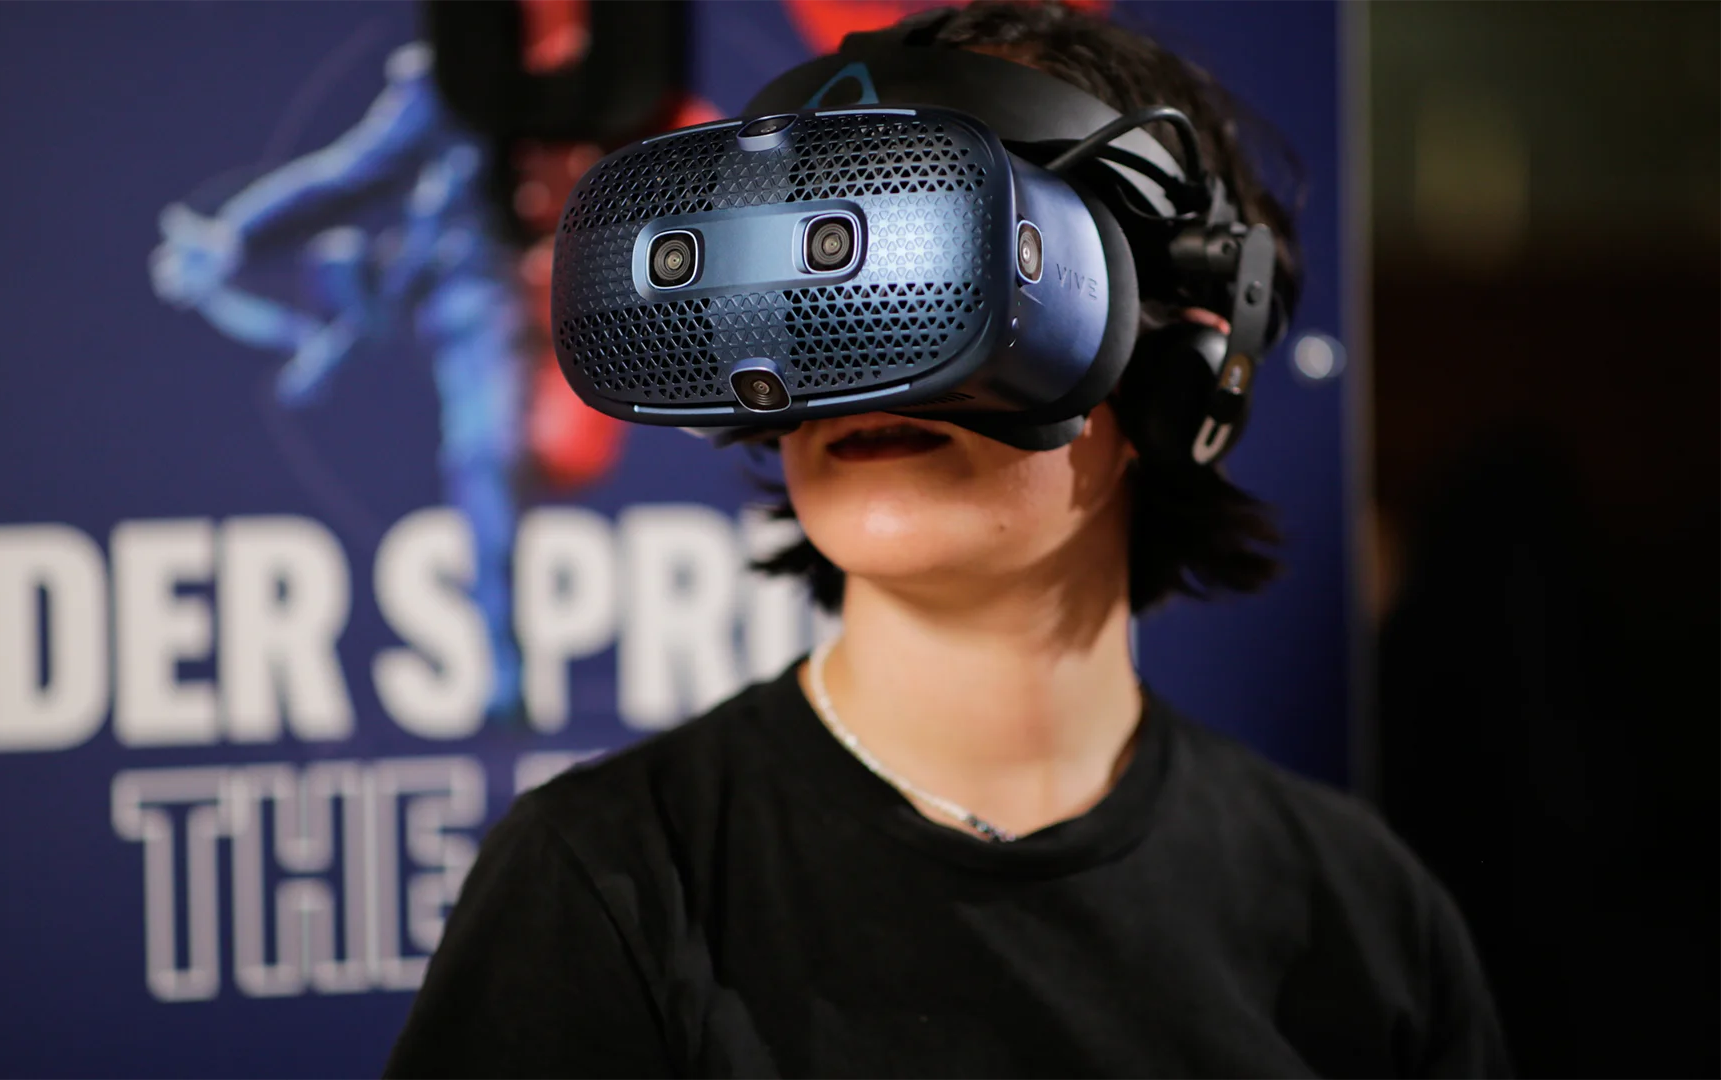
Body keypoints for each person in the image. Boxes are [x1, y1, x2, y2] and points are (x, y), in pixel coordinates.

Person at [383, 3, 1509, 1076]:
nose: (865, 363)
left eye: (937, 262)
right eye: (815, 278)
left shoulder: (1361, 912)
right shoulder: (612, 878)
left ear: (1188, 359)